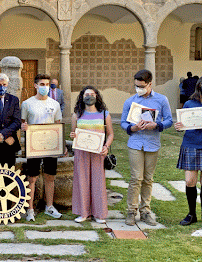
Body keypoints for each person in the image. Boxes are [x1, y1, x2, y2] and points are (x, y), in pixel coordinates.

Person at [120, 69, 173, 226]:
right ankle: (131, 211)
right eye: (136, 86)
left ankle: (145, 211)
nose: (138, 89)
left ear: (150, 84)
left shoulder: (161, 100)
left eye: (142, 86)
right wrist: (132, 128)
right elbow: (123, 122)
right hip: (135, 142)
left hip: (152, 143)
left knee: (148, 179)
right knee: (136, 178)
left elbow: (169, 120)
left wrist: (156, 125)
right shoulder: (130, 102)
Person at [173, 75, 202, 228]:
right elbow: (183, 123)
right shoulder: (188, 103)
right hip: (190, 144)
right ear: (199, 85)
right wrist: (179, 127)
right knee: (190, 181)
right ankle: (191, 213)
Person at [21, 73, 63, 221]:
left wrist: (61, 145)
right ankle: (30, 209)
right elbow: (22, 123)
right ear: (35, 85)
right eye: (42, 84)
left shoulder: (55, 104)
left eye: (47, 84)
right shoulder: (27, 104)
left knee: (50, 176)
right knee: (32, 178)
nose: (45, 87)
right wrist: (23, 127)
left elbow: (58, 125)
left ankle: (49, 207)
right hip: (34, 146)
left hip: (51, 146)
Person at [70, 86, 114, 223]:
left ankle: (99, 213)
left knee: (98, 182)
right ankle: (83, 213)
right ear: (82, 97)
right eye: (86, 94)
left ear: (97, 96)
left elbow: (111, 134)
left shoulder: (104, 114)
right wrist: (72, 135)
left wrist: (106, 146)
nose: (89, 96)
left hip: (98, 152)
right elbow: (73, 134)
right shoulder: (76, 114)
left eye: (92, 94)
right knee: (81, 181)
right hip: (81, 152)